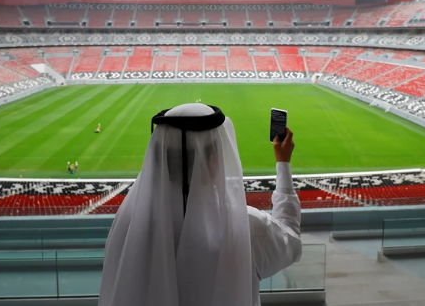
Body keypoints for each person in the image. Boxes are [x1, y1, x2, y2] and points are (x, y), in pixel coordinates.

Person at [99, 103, 301, 306]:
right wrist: (283, 164)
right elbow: (290, 238)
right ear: (213, 160)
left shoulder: (127, 226)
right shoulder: (247, 228)